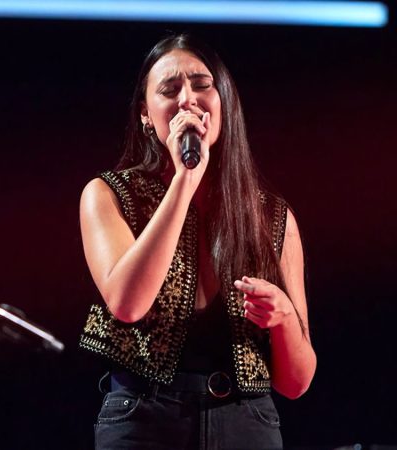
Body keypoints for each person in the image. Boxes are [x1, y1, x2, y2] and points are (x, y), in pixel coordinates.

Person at [78, 34, 316, 449]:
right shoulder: (110, 195)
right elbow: (128, 303)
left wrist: (282, 319)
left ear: (224, 102)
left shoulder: (272, 216)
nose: (187, 98)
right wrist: (185, 180)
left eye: (202, 85)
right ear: (145, 116)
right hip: (144, 419)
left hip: (249, 421)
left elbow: (297, 383)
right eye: (169, 90)